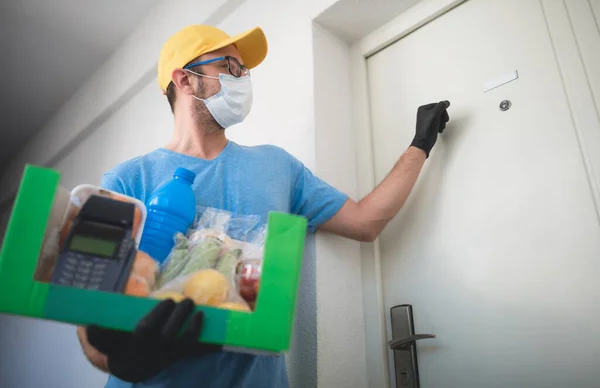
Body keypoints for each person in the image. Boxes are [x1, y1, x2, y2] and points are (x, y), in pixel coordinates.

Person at [76, 24, 450, 388]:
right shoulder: (126, 181)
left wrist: (420, 144)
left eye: (245, 71)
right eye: (230, 67)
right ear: (185, 79)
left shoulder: (276, 167)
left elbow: (366, 222)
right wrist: (123, 362)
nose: (243, 79)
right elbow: (86, 314)